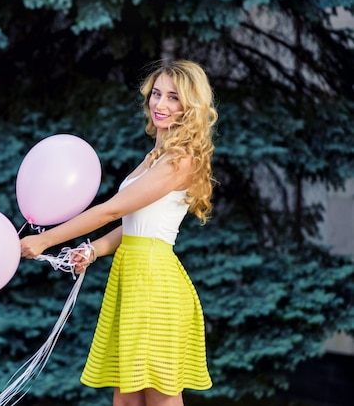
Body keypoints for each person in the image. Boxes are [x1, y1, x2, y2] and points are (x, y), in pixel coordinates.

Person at [20, 59, 217, 406]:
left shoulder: (179, 161)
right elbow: (136, 225)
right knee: (125, 400)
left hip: (155, 284)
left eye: (173, 97)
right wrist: (93, 250)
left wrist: (45, 239)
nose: (160, 104)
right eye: (156, 94)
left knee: (160, 397)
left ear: (191, 106)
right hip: (133, 279)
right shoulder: (156, 156)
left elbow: (112, 210)